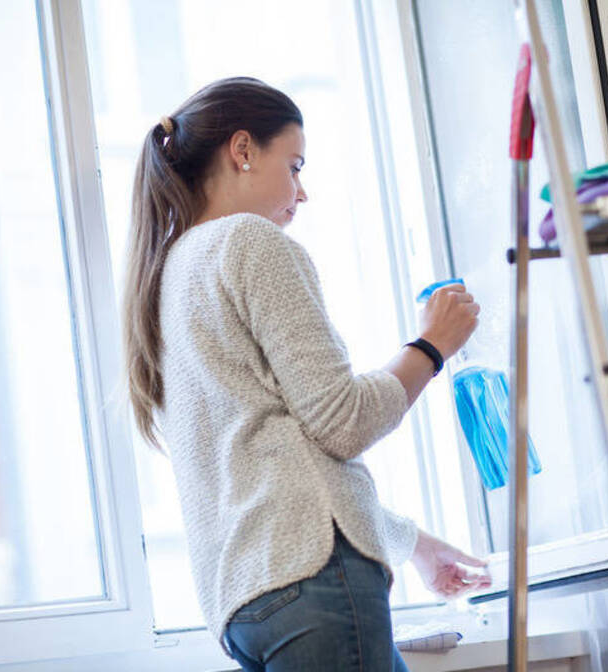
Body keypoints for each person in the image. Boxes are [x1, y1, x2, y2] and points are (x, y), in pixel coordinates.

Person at [121, 76, 491, 671]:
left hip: (248, 607)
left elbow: (285, 462)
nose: (302, 190)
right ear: (242, 151)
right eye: (294, 165)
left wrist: (415, 546)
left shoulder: (166, 277)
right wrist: (431, 345)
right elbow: (341, 422)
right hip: (315, 586)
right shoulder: (250, 242)